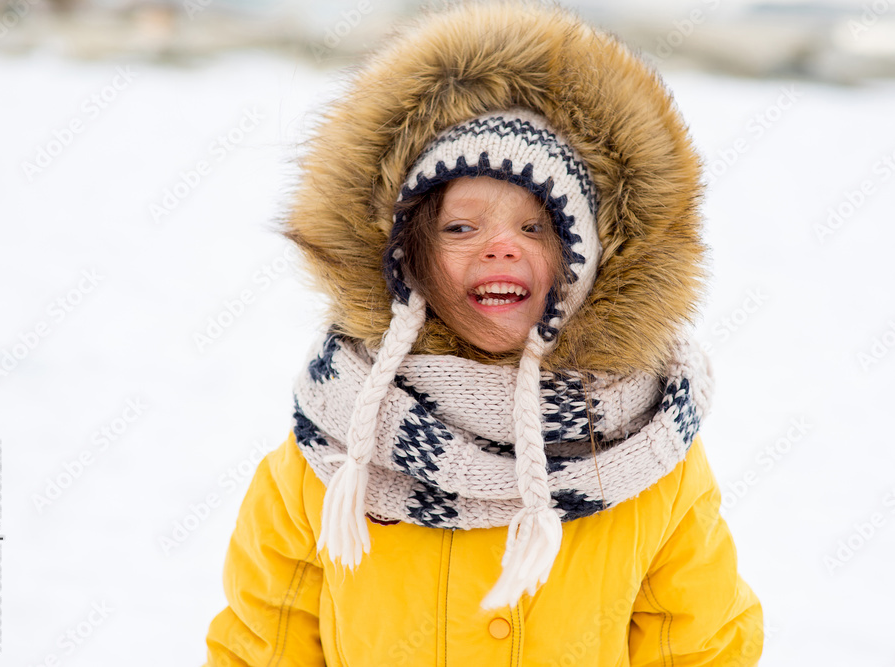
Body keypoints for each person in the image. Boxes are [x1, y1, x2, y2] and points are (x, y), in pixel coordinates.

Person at [203, 2, 763, 665]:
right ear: (408, 256)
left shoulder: (643, 456)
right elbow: (264, 641)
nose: (501, 247)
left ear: (584, 264)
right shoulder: (336, 446)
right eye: (461, 227)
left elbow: (698, 645)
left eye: (535, 227)